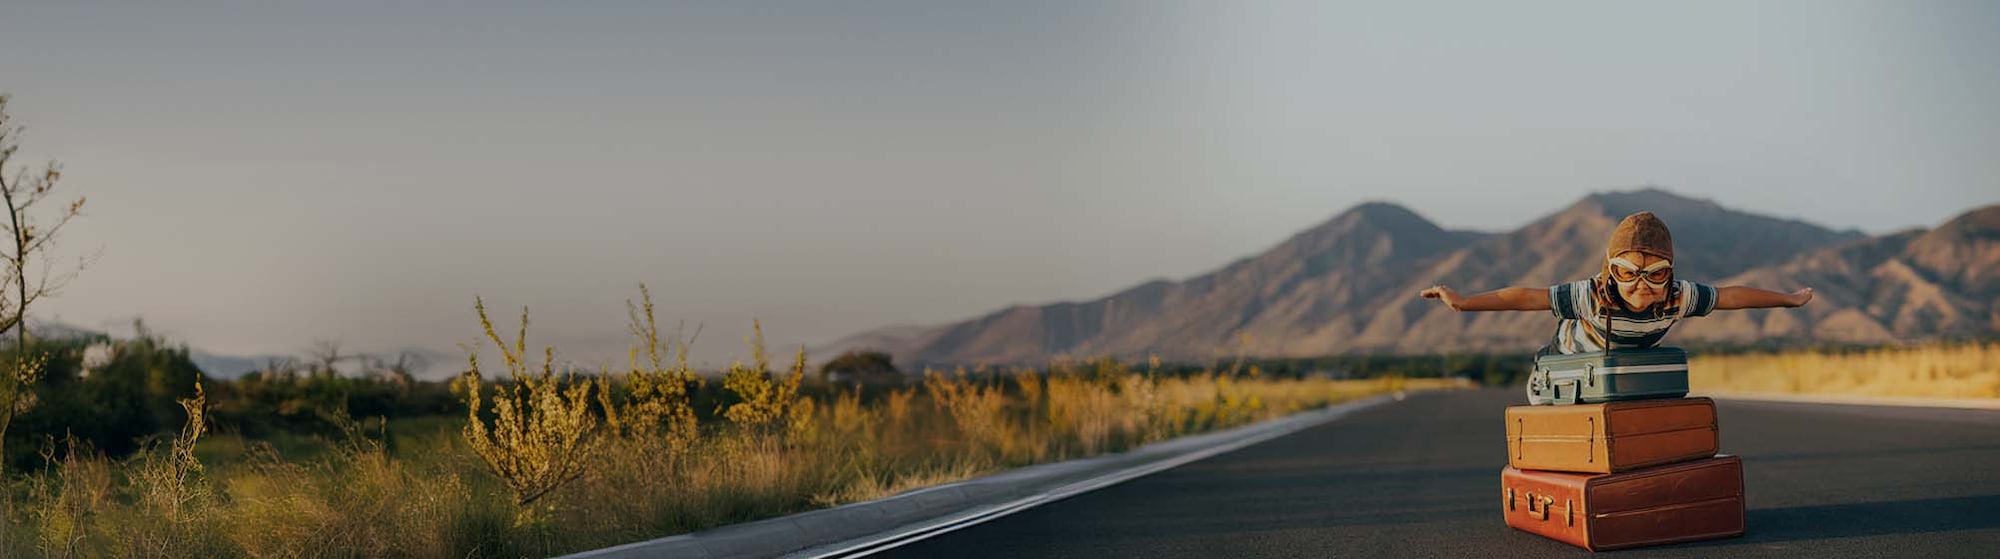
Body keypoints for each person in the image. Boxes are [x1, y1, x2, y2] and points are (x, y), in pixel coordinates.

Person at [1417, 211, 1812, 355]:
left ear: (1670, 274)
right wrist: (1465, 302)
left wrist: (1788, 300)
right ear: (1610, 272)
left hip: (1623, 364)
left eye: (1655, 274)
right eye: (1627, 273)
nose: (1642, 284)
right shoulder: (1589, 295)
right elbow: (1527, 298)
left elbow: (1732, 297)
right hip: (1570, 354)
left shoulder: (1678, 297)